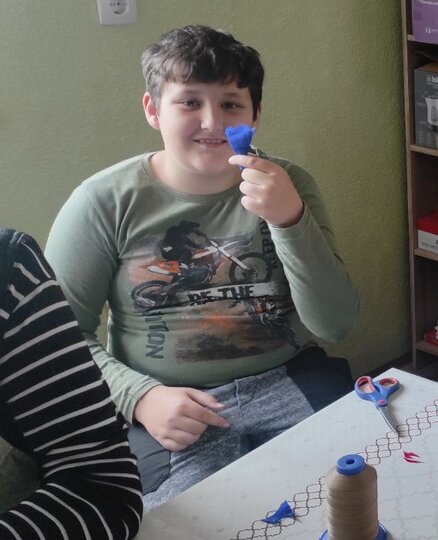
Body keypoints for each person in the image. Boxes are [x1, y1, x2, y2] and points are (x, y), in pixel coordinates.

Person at [44, 25, 359, 509]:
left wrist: (290, 219)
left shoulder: (290, 183)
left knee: (360, 491)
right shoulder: (102, 202)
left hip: (289, 376)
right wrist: (139, 397)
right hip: (168, 402)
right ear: (153, 110)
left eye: (231, 104)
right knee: (182, 519)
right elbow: (60, 342)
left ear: (255, 114)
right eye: (189, 102)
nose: (212, 121)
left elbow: (335, 324)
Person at [1, 229, 142, 538]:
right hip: (151, 411)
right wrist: (141, 395)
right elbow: (85, 339)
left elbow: (100, 483)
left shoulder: (10, 267)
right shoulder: (103, 208)